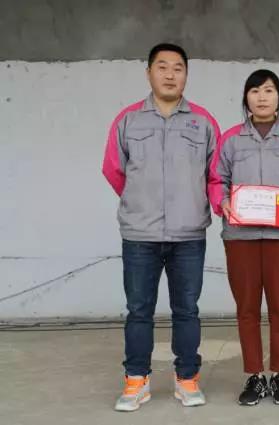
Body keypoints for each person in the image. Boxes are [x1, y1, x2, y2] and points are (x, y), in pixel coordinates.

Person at [102, 43, 220, 411]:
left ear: (186, 74)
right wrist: (141, 200)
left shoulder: (203, 121)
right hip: (140, 234)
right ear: (149, 73)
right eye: (162, 67)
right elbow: (114, 170)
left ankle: (187, 379)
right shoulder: (128, 120)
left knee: (187, 309)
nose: (170, 74)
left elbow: (216, 174)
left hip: (188, 234)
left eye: (178, 68)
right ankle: (136, 380)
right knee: (139, 310)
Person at [209, 69, 279, 406]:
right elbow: (217, 179)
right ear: (246, 98)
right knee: (247, 308)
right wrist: (222, 201)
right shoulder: (230, 139)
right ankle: (254, 375)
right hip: (240, 235)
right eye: (255, 91)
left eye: (268, 90)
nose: (262, 97)